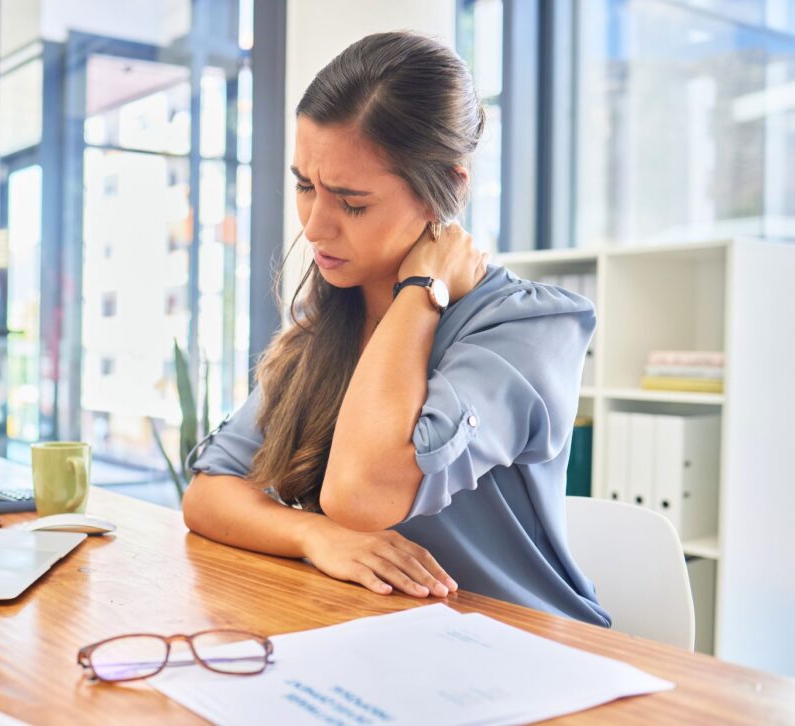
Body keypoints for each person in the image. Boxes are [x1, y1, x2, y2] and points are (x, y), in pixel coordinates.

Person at [182, 31, 610, 626]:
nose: (314, 226)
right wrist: (314, 537)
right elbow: (209, 493)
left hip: (521, 643)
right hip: (382, 635)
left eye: (352, 203)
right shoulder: (337, 313)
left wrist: (420, 292)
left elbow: (359, 497)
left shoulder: (530, 326)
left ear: (449, 188)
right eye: (305, 186)